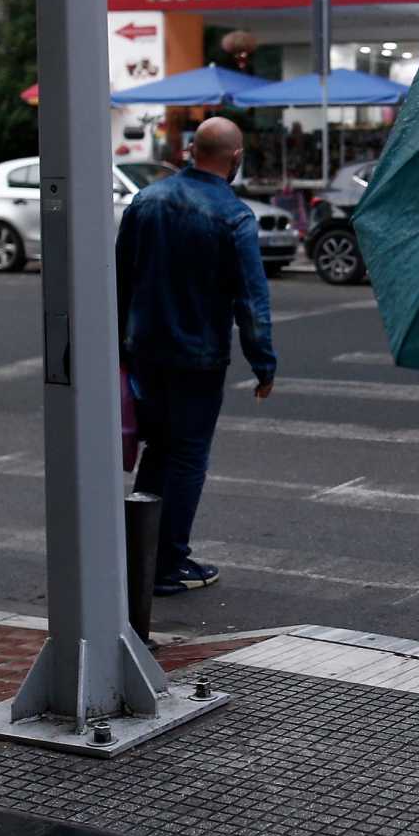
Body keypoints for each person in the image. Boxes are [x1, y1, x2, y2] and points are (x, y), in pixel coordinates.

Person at [116, 115, 276, 597]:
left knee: (157, 451)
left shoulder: (147, 201)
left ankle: (141, 558)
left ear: (190, 151)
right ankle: (168, 564)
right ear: (234, 158)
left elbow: (120, 277)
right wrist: (263, 363)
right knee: (186, 457)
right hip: (198, 358)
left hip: (143, 351)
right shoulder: (233, 216)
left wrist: (117, 347)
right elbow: (251, 300)